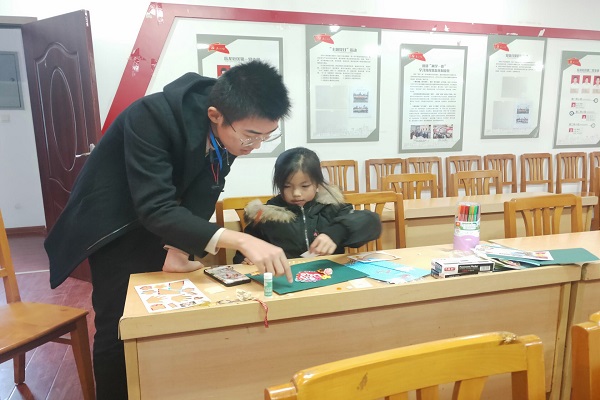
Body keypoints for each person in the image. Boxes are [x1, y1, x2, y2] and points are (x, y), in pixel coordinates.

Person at [44, 60, 292, 399]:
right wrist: (240, 239)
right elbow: (155, 207)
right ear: (215, 115)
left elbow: (205, 189)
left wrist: (178, 250)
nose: (256, 145)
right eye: (251, 135)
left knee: (160, 314)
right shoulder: (150, 116)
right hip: (114, 225)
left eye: (267, 135)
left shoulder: (232, 130)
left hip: (159, 217)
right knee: (119, 325)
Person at [233, 147, 382, 263]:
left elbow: (372, 222)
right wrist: (247, 259)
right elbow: (242, 254)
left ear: (317, 184)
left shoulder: (332, 207)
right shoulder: (265, 216)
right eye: (287, 186)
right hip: (286, 279)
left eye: (305, 186)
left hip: (328, 277)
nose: (296, 193)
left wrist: (337, 232)